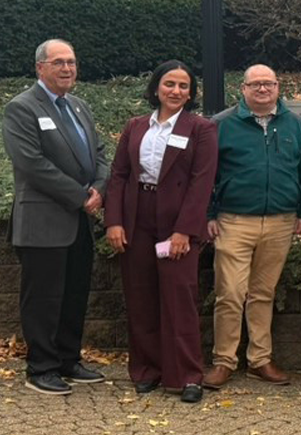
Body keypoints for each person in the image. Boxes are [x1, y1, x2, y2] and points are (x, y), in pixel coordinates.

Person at [104, 60, 218, 403]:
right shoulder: (136, 126)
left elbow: (202, 183)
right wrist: (114, 221)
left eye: (184, 86)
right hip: (137, 216)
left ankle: (187, 375)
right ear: (156, 88)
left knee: (179, 297)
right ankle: (146, 370)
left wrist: (185, 230)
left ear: (191, 93)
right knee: (140, 297)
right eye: (170, 84)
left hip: (176, 219)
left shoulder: (201, 129)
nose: (176, 91)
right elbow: (119, 175)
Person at [204, 65, 301, 390]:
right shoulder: (222, 125)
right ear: (242, 88)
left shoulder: (295, 126)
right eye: (255, 84)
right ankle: (224, 361)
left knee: (263, 294)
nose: (262, 89)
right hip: (234, 220)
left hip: (281, 221)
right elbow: (205, 176)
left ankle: (260, 360)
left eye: (268, 83)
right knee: (230, 294)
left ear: (277, 86)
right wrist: (209, 215)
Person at [3, 39, 109, 395]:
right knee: (44, 297)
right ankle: (41, 367)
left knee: (75, 293)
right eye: (59, 62)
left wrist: (99, 188)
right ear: (40, 68)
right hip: (43, 221)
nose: (67, 69)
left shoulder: (78, 106)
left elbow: (100, 152)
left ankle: (68, 359)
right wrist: (80, 196)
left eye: (72, 62)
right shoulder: (21, 108)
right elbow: (32, 165)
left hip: (80, 219)